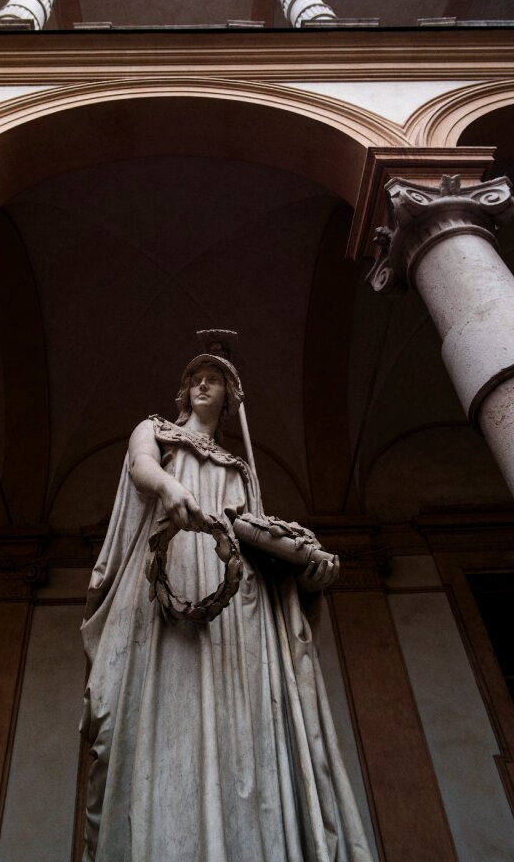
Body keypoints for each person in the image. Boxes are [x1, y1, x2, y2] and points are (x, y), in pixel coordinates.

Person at [80, 350, 373, 862]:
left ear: (230, 397)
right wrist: (170, 487)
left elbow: (257, 542)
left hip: (239, 608)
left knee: (245, 726)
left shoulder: (241, 469)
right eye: (195, 377)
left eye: (214, 380)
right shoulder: (155, 430)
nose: (202, 384)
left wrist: (305, 576)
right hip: (168, 582)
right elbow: (140, 466)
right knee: (158, 716)